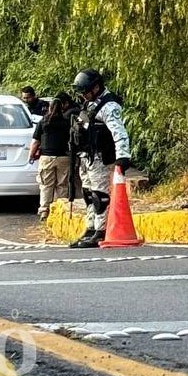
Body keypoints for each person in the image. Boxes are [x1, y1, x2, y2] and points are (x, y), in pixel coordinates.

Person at [68, 69, 132, 248]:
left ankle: (100, 231)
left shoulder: (108, 106)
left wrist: (122, 156)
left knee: (99, 195)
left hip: (100, 158)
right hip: (87, 156)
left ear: (95, 88)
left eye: (84, 90)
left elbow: (119, 132)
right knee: (88, 193)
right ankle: (90, 228)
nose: (82, 95)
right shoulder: (89, 104)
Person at [28, 92, 74, 221]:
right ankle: (61, 211)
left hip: (47, 157)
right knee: (62, 185)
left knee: (46, 185)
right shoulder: (66, 122)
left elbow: (36, 141)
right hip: (64, 157)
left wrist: (31, 155)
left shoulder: (44, 121)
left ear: (49, 107)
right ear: (62, 107)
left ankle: (44, 211)